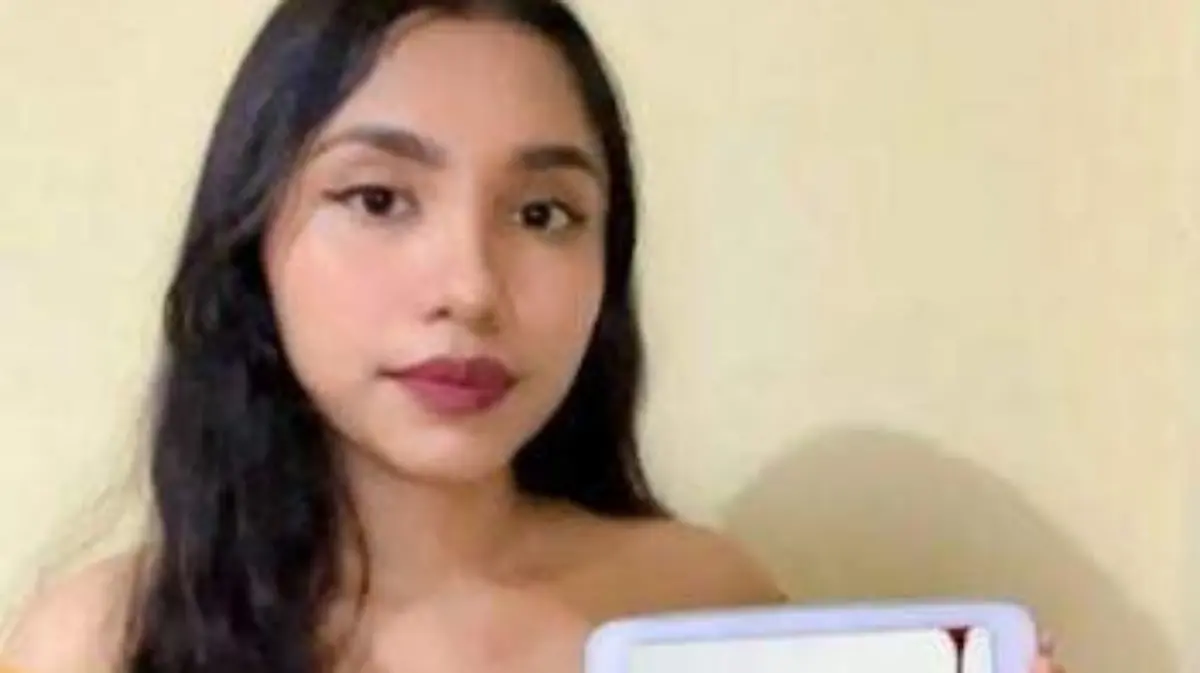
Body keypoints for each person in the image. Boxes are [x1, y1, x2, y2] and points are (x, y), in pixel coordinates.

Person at [0, 1, 1062, 672]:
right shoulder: (101, 642)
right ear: (252, 237)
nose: (470, 287)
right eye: (378, 198)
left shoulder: (699, 603)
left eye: (545, 213)